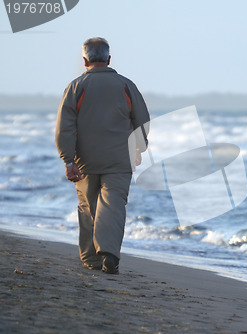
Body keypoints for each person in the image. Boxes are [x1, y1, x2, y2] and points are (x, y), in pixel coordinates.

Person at [55, 37, 150, 274]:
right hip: (119, 160)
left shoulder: (76, 87)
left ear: (85, 60)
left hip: (84, 161)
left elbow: (64, 127)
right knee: (113, 205)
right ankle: (109, 253)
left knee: (88, 206)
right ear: (108, 59)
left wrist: (68, 160)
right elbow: (142, 121)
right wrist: (139, 148)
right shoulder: (126, 85)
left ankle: (91, 259)